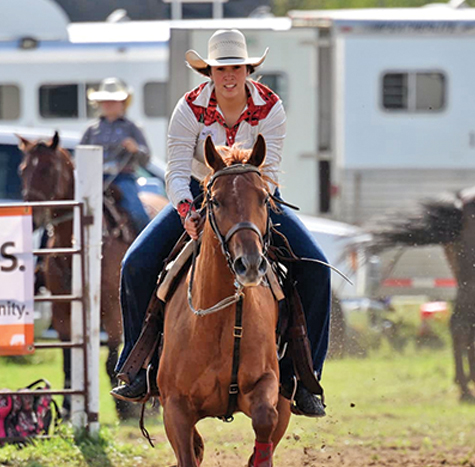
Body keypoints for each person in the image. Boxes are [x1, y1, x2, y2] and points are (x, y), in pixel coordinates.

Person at [110, 29, 330, 418]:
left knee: (316, 268)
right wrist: (185, 211)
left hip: (253, 190)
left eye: (236, 67)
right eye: (221, 68)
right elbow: (177, 169)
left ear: (248, 69)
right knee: (136, 263)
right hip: (200, 191)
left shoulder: (271, 107)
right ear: (209, 71)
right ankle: (138, 364)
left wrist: (252, 201)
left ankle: (304, 376)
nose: (229, 75)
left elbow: (270, 166)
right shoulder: (190, 107)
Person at [81, 78, 152, 235]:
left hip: (123, 178)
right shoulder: (91, 130)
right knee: (67, 209)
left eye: (113, 100)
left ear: (123, 103)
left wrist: (135, 149)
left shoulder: (132, 128)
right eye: (105, 101)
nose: (108, 104)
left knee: (138, 213)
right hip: (94, 180)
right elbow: (79, 159)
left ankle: (146, 249)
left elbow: (146, 159)